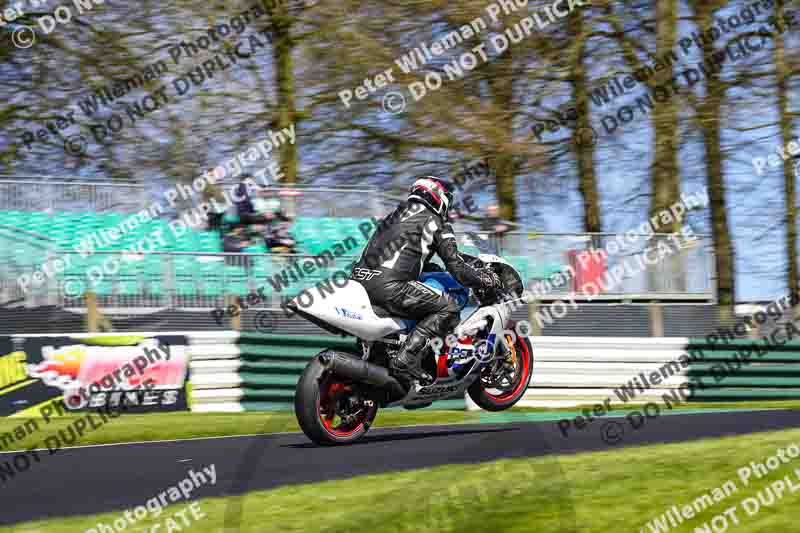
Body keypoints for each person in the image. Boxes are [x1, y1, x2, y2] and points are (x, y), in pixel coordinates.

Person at [350, 176, 502, 386]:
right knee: (449, 305)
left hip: (359, 284)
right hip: (390, 288)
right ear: (439, 197)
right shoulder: (436, 221)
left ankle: (385, 350)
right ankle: (407, 358)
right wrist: (485, 279)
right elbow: (457, 268)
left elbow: (407, 257)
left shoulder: (392, 217)